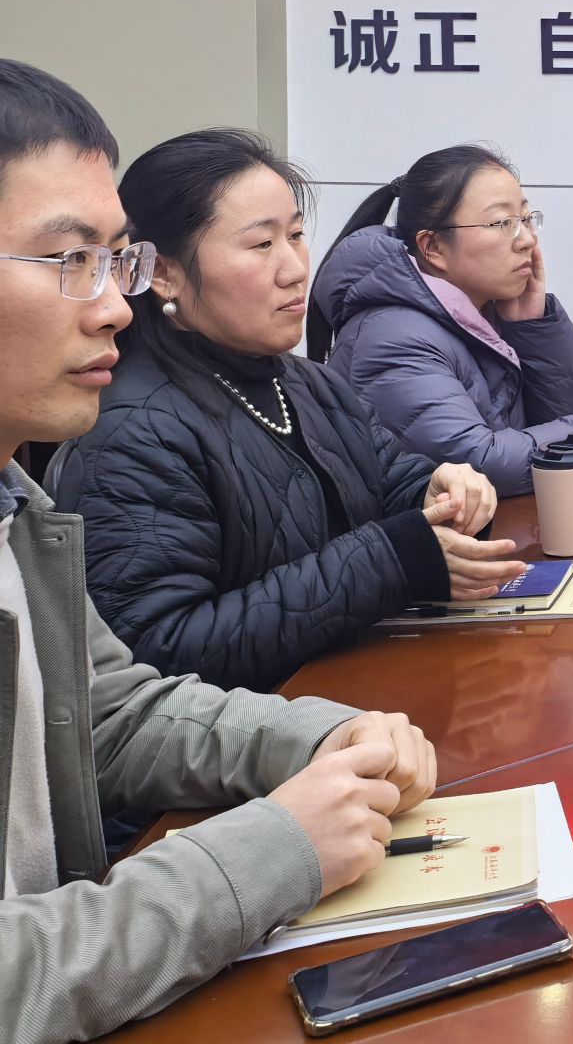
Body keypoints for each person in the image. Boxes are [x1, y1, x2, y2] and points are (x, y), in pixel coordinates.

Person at [0, 59, 440, 1041]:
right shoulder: (129, 431)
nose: (111, 305)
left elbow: (114, 714)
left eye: (112, 259)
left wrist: (318, 737)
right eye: (68, 260)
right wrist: (273, 849)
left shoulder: (18, 506)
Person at [50, 129, 523, 693]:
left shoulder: (309, 384)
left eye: (296, 235)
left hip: (363, 701)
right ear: (164, 274)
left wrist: (446, 495)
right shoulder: (131, 429)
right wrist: (391, 560)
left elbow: (395, 487)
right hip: (275, 739)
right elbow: (158, 654)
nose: (295, 268)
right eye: (260, 244)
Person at [310, 145, 573, 496]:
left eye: (526, 219)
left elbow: (569, 418)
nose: (528, 240)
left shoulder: (481, 310)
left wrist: (532, 328)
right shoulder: (392, 337)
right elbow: (480, 463)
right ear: (433, 247)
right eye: (503, 223)